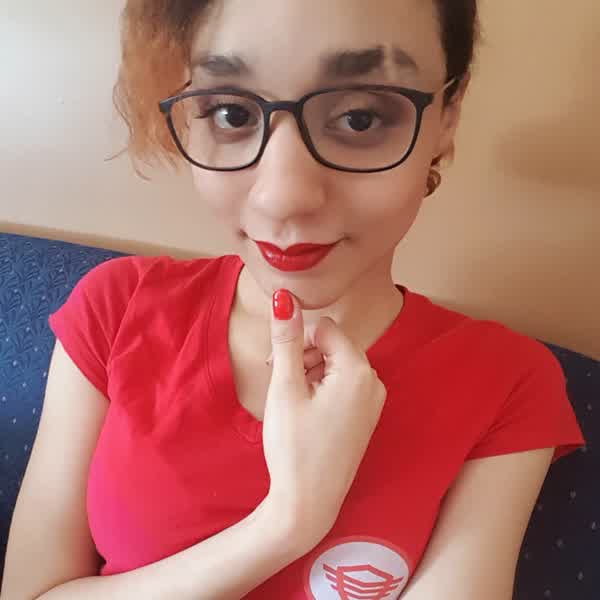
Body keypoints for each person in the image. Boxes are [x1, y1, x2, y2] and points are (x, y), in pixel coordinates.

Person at [1, 1, 586, 599]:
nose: (282, 198)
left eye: (360, 117)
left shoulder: (504, 382)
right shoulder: (118, 308)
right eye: (231, 112)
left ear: (447, 115)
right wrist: (287, 522)